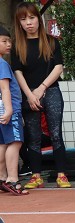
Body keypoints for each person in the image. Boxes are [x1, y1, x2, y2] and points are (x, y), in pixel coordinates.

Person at [12, 2, 69, 190]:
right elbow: (18, 72)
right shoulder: (17, 45)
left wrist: (41, 88)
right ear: (19, 23)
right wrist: (30, 94)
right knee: (33, 136)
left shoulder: (51, 41)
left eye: (32, 17)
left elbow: (58, 67)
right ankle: (35, 176)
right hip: (28, 94)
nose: (28, 22)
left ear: (38, 18)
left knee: (56, 133)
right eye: (23, 19)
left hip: (51, 91)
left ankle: (62, 174)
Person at [0, 26, 27, 196]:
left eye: (9, 41)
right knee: (15, 142)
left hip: (1, 110)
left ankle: (2, 177)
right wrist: (10, 109)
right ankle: (12, 180)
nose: (9, 44)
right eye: (4, 41)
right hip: (9, 110)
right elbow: (5, 88)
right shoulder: (2, 64)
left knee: (3, 143)